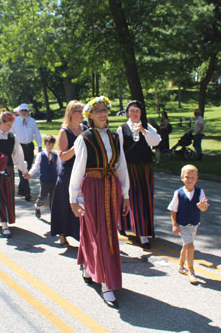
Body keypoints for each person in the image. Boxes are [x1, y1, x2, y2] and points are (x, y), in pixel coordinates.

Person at [69, 96, 130, 308]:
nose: (103, 114)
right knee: (97, 232)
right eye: (98, 111)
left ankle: (89, 265)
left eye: (105, 110)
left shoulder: (116, 136)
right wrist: (74, 199)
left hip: (111, 187)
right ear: (90, 116)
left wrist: (126, 195)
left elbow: (122, 167)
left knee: (107, 233)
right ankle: (106, 283)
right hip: (92, 188)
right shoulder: (84, 139)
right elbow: (77, 171)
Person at [117, 100, 161, 248]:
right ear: (128, 113)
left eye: (137, 111)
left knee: (145, 199)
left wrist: (143, 130)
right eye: (132, 111)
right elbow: (119, 152)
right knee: (131, 199)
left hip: (145, 168)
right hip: (130, 169)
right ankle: (130, 228)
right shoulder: (122, 129)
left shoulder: (147, 127)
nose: (135, 114)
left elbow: (155, 142)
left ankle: (143, 231)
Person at [50, 100, 85, 247]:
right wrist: (76, 146)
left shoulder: (85, 128)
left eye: (83, 111)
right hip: (68, 172)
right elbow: (62, 156)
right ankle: (62, 235)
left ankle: (81, 234)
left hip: (82, 171)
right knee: (65, 204)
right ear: (71, 113)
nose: (82, 114)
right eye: (79, 111)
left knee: (81, 204)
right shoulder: (64, 131)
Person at [168, 164, 209, 284]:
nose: (190, 180)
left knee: (186, 245)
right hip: (183, 225)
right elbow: (173, 209)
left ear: (197, 178)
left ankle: (181, 265)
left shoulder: (200, 192)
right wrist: (174, 224)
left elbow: (204, 207)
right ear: (182, 178)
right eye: (187, 177)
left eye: (192, 177)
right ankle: (191, 271)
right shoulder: (178, 193)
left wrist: (202, 207)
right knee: (190, 246)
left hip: (194, 224)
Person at [12, 103, 42, 201]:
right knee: (22, 168)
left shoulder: (32, 121)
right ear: (19, 111)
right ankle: (27, 191)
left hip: (29, 146)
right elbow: (11, 133)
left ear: (28, 112)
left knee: (27, 168)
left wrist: (40, 145)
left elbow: (36, 133)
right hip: (19, 146)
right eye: (22, 111)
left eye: (26, 111)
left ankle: (21, 188)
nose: (24, 112)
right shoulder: (15, 121)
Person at [29, 135, 60, 219]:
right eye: (48, 144)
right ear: (45, 144)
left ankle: (53, 215)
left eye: (52, 145)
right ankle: (37, 207)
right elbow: (36, 166)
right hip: (44, 180)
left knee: (54, 198)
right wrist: (30, 174)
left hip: (54, 180)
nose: (50, 146)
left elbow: (59, 167)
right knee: (42, 196)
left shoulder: (56, 155)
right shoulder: (41, 155)